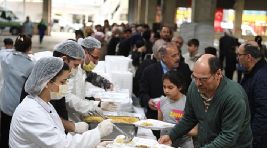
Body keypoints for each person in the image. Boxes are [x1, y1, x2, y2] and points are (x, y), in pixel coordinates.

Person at [9, 57, 113, 148]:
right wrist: (98, 133)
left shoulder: (45, 104)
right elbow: (63, 145)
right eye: (62, 82)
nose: (65, 86)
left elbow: (59, 136)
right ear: (47, 82)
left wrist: (93, 144)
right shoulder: (31, 112)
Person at [159, 54, 252, 147]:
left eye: (203, 79)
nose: (198, 83)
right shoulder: (194, 87)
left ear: (218, 74)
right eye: (194, 77)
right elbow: (189, 118)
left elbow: (228, 137)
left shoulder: (233, 96)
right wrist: (171, 136)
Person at [139, 42, 191, 138]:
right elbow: (142, 93)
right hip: (156, 119)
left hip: (180, 119)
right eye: (174, 56)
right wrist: (148, 101)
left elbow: (190, 92)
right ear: (163, 58)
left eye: (178, 54)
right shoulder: (149, 71)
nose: (178, 58)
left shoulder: (185, 69)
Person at [0, 34, 34, 147]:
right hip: (19, 106)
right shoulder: (31, 65)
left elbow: (4, 51)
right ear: (29, 48)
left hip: (5, 104)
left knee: (4, 132)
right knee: (17, 135)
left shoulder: (5, 58)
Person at [237, 42, 267, 148]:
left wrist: (252, 139)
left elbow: (263, 112)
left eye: (239, 55)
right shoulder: (251, 72)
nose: (237, 58)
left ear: (248, 57)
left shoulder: (261, 77)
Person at [157, 70, 196, 148]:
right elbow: (159, 123)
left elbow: (195, 131)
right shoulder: (161, 102)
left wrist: (176, 130)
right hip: (165, 144)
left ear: (180, 87)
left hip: (184, 144)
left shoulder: (189, 103)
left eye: (170, 87)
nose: (166, 90)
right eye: (164, 87)